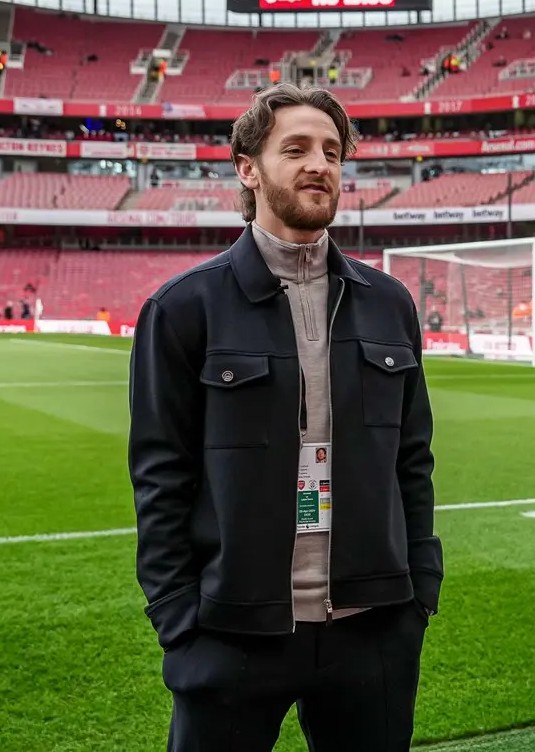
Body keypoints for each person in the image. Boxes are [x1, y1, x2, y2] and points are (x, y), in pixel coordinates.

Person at [128, 83, 441, 752]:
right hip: (233, 634)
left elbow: (412, 460)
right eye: (295, 148)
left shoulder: (390, 304)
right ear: (248, 167)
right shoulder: (183, 308)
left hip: (372, 632)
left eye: (331, 151)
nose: (319, 165)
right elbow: (159, 474)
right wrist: (177, 617)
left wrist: (418, 593)